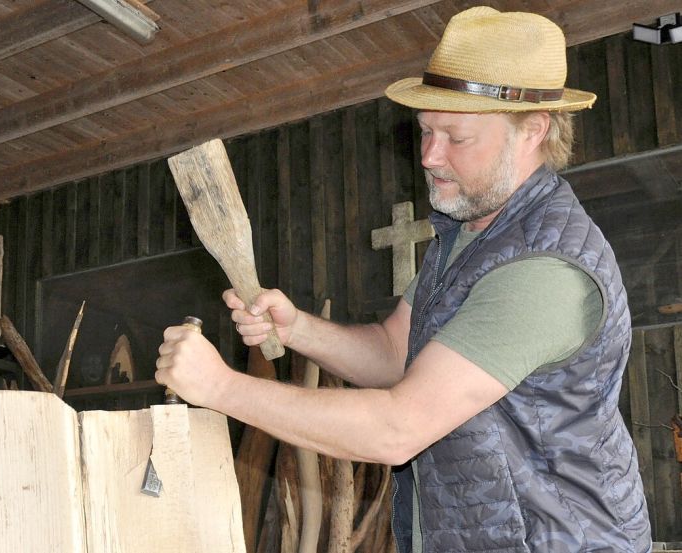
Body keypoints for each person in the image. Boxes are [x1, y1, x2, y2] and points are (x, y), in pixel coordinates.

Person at [155, 6, 651, 553]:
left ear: (533, 130)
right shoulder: (467, 238)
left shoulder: (543, 271)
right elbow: (397, 351)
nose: (430, 156)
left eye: (456, 137)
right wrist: (297, 329)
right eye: (426, 131)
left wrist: (221, 387)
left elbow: (398, 428)